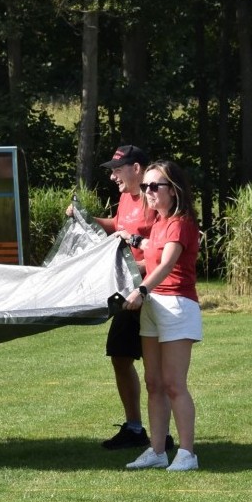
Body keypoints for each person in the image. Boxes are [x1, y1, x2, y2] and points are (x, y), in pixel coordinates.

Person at [67, 144, 173, 451]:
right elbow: (118, 226)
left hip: (153, 291)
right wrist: (86, 219)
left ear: (136, 168)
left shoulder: (156, 199)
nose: (114, 177)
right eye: (112, 171)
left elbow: (166, 245)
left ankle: (161, 434)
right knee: (120, 355)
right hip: (129, 290)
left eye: (118, 169)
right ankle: (136, 428)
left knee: (160, 370)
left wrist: (141, 268)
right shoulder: (126, 196)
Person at [122, 160, 202, 471]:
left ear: (174, 189)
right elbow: (149, 253)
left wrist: (140, 291)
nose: (148, 191)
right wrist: (126, 239)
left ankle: (187, 454)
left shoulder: (180, 223)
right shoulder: (158, 224)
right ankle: (157, 451)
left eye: (155, 186)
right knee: (153, 382)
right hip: (154, 307)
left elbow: (166, 264)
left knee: (173, 384)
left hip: (177, 306)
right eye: (145, 186)